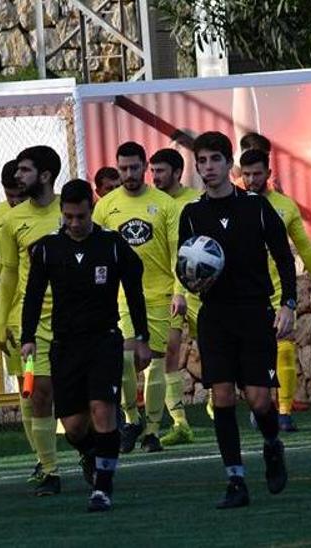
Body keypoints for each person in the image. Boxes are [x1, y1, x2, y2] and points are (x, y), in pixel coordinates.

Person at [177, 131, 296, 509]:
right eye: (202, 162)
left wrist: (288, 304)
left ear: (230, 164)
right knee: (223, 395)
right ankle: (235, 480)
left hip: (254, 313)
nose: (208, 168)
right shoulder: (192, 215)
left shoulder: (257, 208)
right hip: (215, 316)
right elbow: (186, 269)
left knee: (260, 400)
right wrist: (192, 283)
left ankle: (271, 444)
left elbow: (283, 257)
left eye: (214, 160)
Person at [21, 179, 150, 513]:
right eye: (68, 217)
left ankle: (102, 490)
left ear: (92, 210)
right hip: (64, 346)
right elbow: (33, 295)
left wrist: (141, 337)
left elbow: (134, 290)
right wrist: (27, 338)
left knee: (102, 410)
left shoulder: (112, 244)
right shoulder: (48, 248)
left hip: (104, 340)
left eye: (80, 216)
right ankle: (92, 453)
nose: (75, 224)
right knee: (75, 426)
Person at [92, 141, 179, 453]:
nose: (128, 174)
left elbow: (175, 253)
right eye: (123, 169)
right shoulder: (105, 207)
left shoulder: (166, 205)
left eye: (134, 168)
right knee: (126, 358)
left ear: (145, 167)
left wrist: (178, 291)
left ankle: (153, 430)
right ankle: (132, 418)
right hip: (120, 297)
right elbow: (95, 254)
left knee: (155, 363)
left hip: (159, 294)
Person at [240, 148, 311, 432]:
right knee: (250, 355)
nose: (252, 180)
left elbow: (304, 245)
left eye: (257, 174)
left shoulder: (285, 206)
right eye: (247, 174)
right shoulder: (233, 205)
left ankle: (284, 411)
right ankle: (260, 405)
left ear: (268, 174)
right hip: (244, 292)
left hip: (278, 290)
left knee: (284, 347)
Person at [0, 146, 65, 495]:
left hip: (72, 320)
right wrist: (0, 322)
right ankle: (49, 467)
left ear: (45, 175)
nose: (17, 176)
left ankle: (85, 451)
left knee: (75, 399)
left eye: (24, 170)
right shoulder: (11, 219)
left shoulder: (70, 211)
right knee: (34, 391)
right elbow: (9, 273)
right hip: (29, 322)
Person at [0, 159, 45, 483]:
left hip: (59, 316)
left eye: (18, 198)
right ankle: (40, 456)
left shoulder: (52, 213)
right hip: (19, 320)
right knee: (28, 386)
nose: (13, 204)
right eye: (9, 197)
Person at [151, 147, 202, 446]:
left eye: (161, 171)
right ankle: (180, 422)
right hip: (167, 294)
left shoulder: (193, 202)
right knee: (169, 352)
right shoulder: (149, 204)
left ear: (177, 172)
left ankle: (215, 399)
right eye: (153, 170)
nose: (155, 176)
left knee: (210, 351)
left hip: (198, 290)